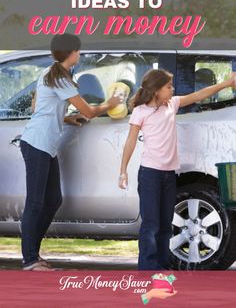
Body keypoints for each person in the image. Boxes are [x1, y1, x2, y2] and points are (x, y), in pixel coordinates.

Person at [20, 34, 120, 271]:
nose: (80, 54)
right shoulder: (59, 79)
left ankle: (33, 254)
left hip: (45, 145)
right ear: (71, 53)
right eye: (78, 51)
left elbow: (38, 107)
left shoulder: (51, 74)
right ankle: (30, 260)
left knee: (53, 199)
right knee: (35, 202)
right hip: (37, 143)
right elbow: (90, 111)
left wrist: (66, 117)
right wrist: (111, 103)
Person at [119, 69, 236, 270]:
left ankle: (162, 267)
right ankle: (147, 268)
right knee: (151, 224)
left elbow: (199, 95)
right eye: (168, 87)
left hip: (168, 175)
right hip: (150, 175)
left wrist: (225, 84)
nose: (172, 90)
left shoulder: (172, 105)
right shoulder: (140, 112)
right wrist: (123, 170)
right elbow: (130, 142)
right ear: (156, 90)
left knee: (165, 224)